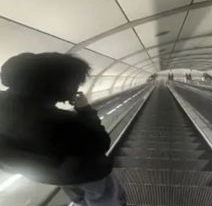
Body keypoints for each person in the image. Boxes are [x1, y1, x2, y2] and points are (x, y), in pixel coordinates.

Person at [0, 53, 127, 206]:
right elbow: (101, 143)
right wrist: (85, 110)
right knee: (104, 199)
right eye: (75, 83)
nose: (76, 88)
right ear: (58, 85)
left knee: (78, 197)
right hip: (88, 173)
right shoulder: (65, 122)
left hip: (49, 175)